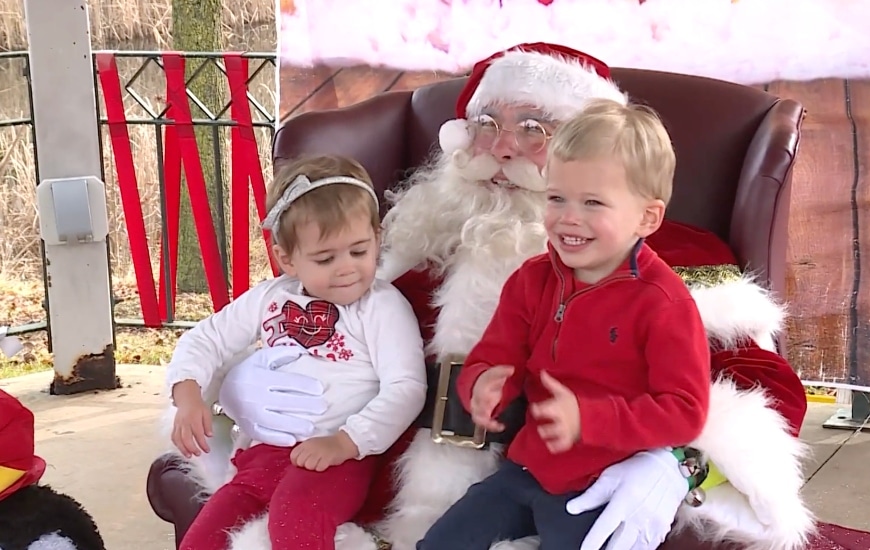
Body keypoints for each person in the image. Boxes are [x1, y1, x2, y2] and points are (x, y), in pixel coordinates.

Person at [164, 43, 813, 550]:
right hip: (361, 490)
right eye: (486, 122)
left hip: (561, 486)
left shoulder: (672, 259)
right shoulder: (398, 248)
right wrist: (236, 388)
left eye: (535, 127)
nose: (501, 148)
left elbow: (766, 391)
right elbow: (281, 322)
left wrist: (678, 466)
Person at [417, 99, 713, 550]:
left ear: (647, 217)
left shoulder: (664, 302)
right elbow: (496, 354)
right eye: (556, 198)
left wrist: (590, 419)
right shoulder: (531, 279)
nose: (568, 217)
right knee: (439, 544)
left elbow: (685, 411)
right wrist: (482, 385)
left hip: (603, 481)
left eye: (593, 203)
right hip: (527, 467)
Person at [165, 155, 427, 550]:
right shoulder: (271, 298)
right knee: (204, 537)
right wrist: (187, 397)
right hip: (263, 456)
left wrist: (345, 442)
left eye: (359, 251)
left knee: (296, 520)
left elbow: (406, 386)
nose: (346, 269)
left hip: (338, 458)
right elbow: (205, 339)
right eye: (325, 258)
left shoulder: (381, 306)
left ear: (377, 237)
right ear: (287, 258)